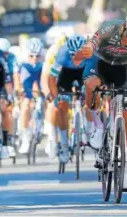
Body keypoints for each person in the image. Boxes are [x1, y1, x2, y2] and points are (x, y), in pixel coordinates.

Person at [76, 7, 127, 192]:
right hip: (99, 62)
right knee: (92, 86)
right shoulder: (110, 28)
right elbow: (91, 46)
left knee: (125, 116)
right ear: (125, 26)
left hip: (122, 69)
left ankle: (125, 170)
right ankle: (98, 127)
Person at [47, 34, 90, 163]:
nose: (75, 59)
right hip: (66, 74)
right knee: (61, 105)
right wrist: (55, 97)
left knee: (90, 96)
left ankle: (90, 129)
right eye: (72, 55)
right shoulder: (62, 54)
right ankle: (64, 144)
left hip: (84, 72)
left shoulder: (90, 53)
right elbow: (52, 78)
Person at [15, 38, 44, 154]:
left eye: (37, 56)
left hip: (40, 74)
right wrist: (19, 91)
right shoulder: (21, 61)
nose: (34, 59)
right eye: (31, 56)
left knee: (47, 97)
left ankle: (45, 124)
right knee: (26, 103)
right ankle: (25, 135)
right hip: (26, 76)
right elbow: (17, 78)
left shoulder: (45, 59)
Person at [41, 35, 67, 158]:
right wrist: (48, 93)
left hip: (69, 76)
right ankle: (52, 137)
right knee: (53, 106)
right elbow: (45, 77)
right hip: (54, 78)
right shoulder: (52, 54)